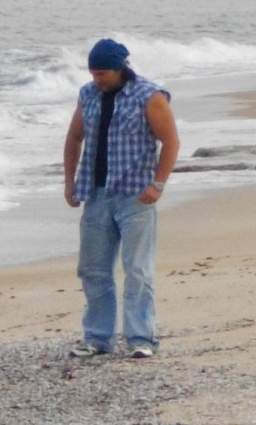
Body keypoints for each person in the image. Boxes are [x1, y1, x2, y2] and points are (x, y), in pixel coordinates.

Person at [63, 38, 179, 359]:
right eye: (92, 73)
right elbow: (74, 137)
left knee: (137, 269)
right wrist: (70, 182)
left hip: (136, 195)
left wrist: (158, 184)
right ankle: (97, 337)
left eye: (102, 73)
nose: (96, 79)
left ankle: (141, 338)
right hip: (96, 194)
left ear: (119, 69)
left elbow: (170, 141)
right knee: (92, 269)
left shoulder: (149, 96)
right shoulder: (88, 94)